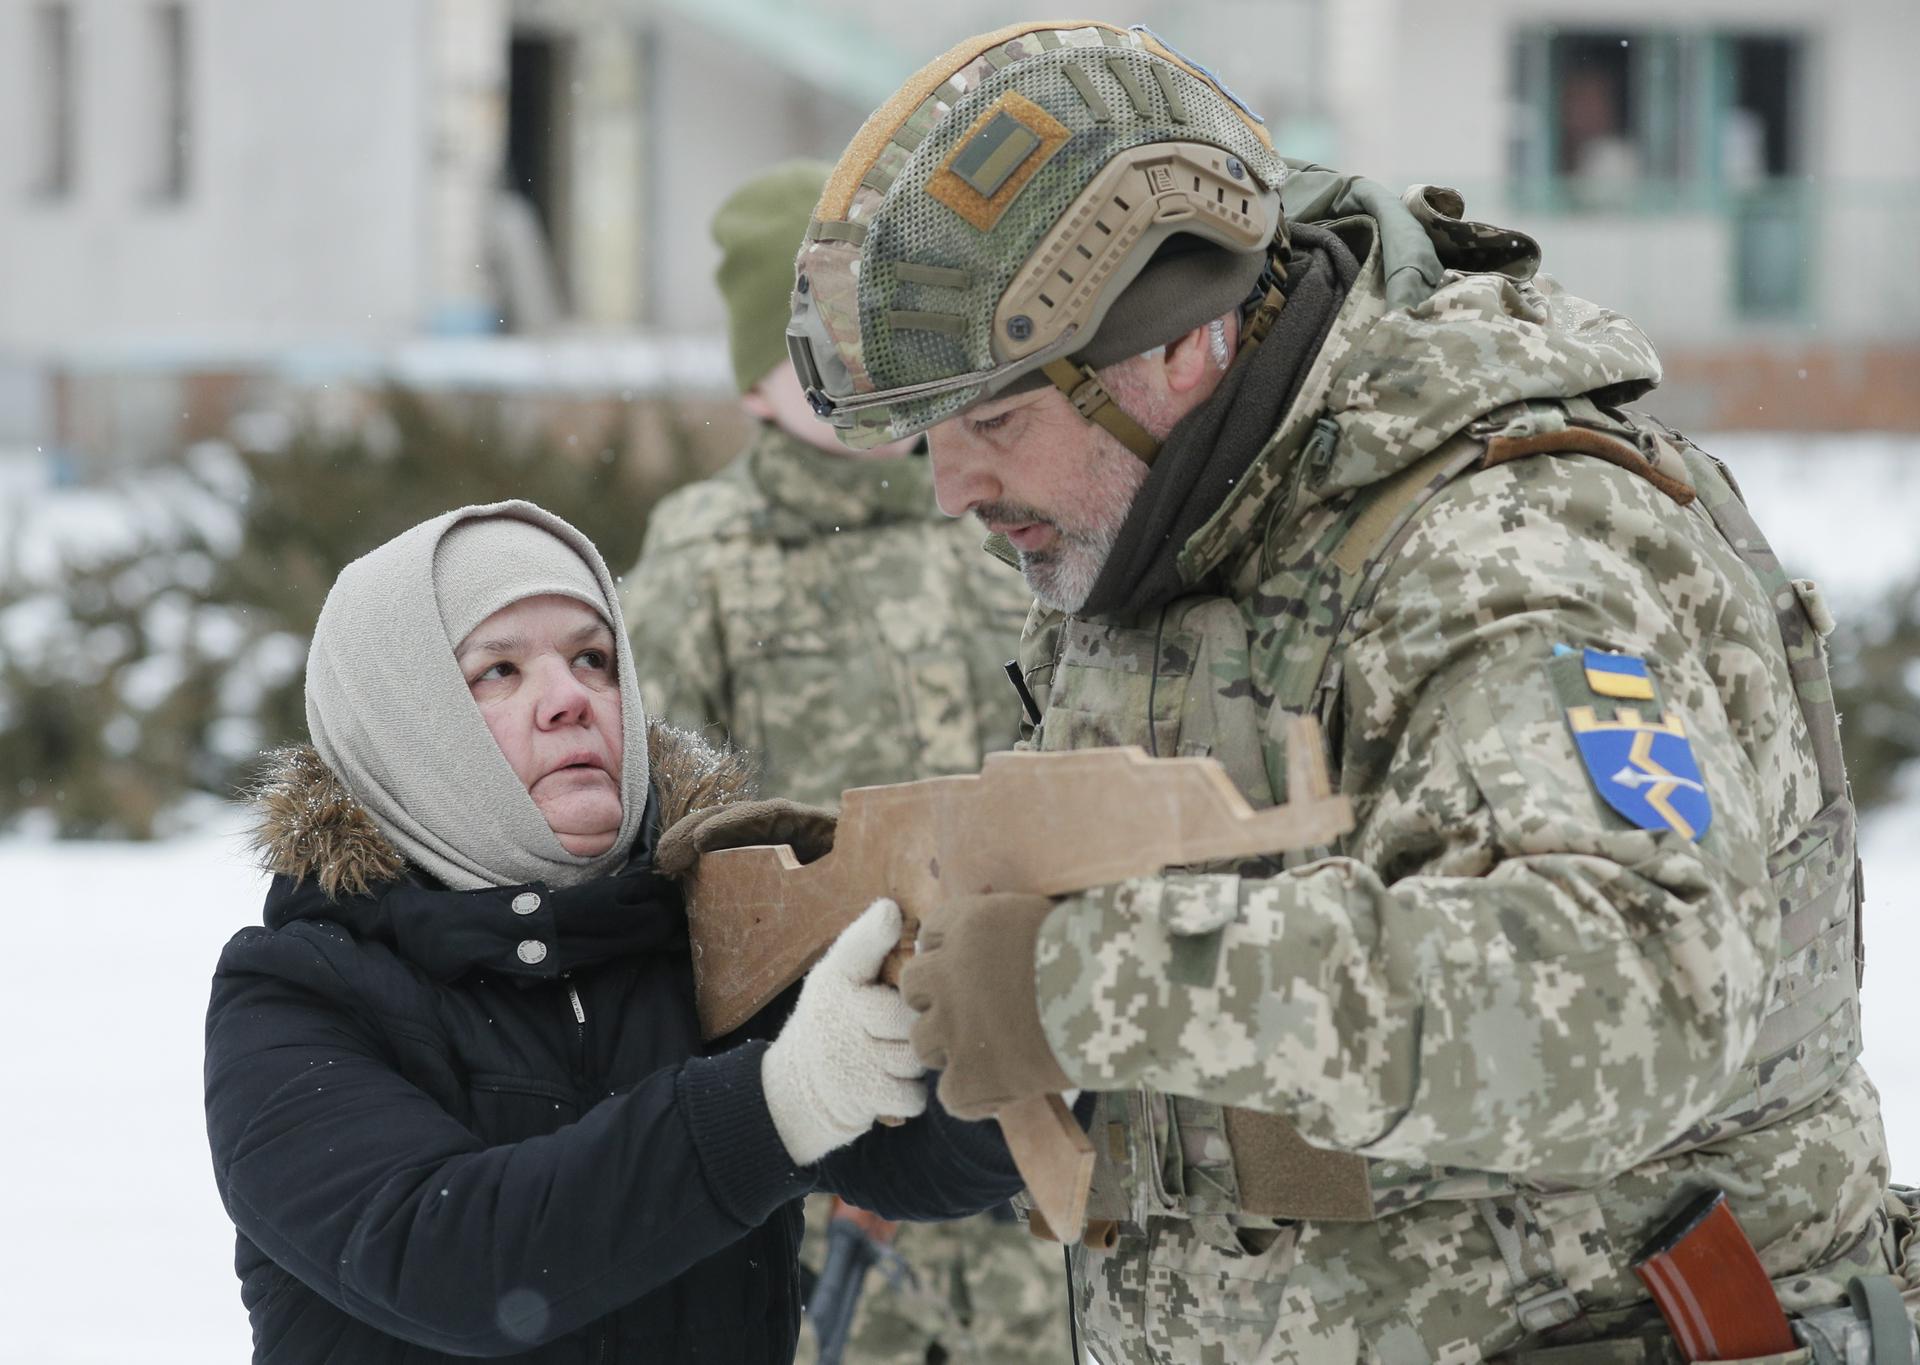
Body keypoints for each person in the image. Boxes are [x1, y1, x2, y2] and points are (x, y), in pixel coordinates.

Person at [787, 22, 1912, 1364]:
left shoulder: (1504, 543)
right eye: (930, 438)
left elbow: (1638, 989)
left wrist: (1080, 981)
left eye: (993, 424)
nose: (952, 489)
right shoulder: (1181, 530)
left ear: (1177, 347)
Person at [202, 500, 1020, 1364]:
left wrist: (1010, 1034)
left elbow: (910, 1161)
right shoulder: (296, 991)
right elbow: (453, 1263)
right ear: (404, 726)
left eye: (592, 658)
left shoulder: (710, 934)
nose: (568, 699)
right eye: (499, 672)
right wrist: (779, 1099)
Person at [621, 162, 1066, 1364]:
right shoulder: (706, 561)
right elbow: (663, 855)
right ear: (757, 383)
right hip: (829, 1103)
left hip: (1016, 1081)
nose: (858, 378)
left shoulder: (994, 523)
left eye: (880, 344)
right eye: (817, 348)